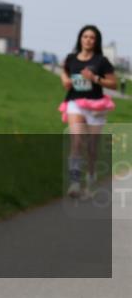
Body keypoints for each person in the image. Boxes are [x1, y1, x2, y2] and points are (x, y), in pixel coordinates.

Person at [58, 24, 117, 198]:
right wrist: (65, 80)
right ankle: (75, 183)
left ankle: (90, 180)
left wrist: (95, 78)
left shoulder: (101, 61)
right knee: (76, 141)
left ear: (96, 41)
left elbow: (113, 83)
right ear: (80, 39)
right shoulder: (71, 58)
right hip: (75, 102)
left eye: (92, 37)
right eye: (85, 36)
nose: (88, 40)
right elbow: (64, 71)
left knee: (91, 147)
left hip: (96, 106)